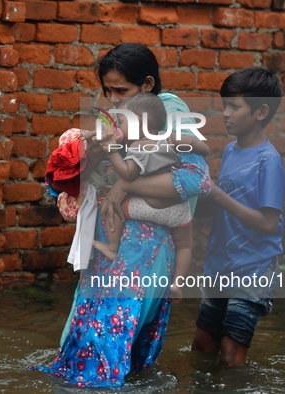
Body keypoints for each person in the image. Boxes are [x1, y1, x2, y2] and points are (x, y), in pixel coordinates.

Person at [32, 43, 207, 387]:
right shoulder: (112, 120)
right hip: (108, 246)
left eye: (121, 90)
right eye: (107, 90)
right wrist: (90, 157)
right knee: (90, 351)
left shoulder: (170, 114)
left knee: (103, 351)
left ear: (147, 84)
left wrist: (124, 191)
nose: (113, 99)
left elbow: (194, 179)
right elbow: (60, 187)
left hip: (144, 250)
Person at [191, 66, 285, 367]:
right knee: (202, 345)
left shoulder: (268, 161)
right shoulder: (231, 150)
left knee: (231, 353)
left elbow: (269, 223)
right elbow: (221, 205)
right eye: (224, 106)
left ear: (260, 112)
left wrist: (218, 194)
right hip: (222, 264)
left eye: (234, 106)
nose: (226, 114)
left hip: (253, 267)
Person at [93, 92, 210, 300]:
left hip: (153, 207)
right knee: (185, 244)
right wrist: (202, 148)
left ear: (138, 123)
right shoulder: (170, 137)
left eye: (122, 122)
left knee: (111, 205)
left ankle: (112, 247)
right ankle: (178, 284)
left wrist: (111, 151)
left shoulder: (138, 147)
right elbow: (198, 145)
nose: (120, 128)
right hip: (180, 209)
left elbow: (128, 174)